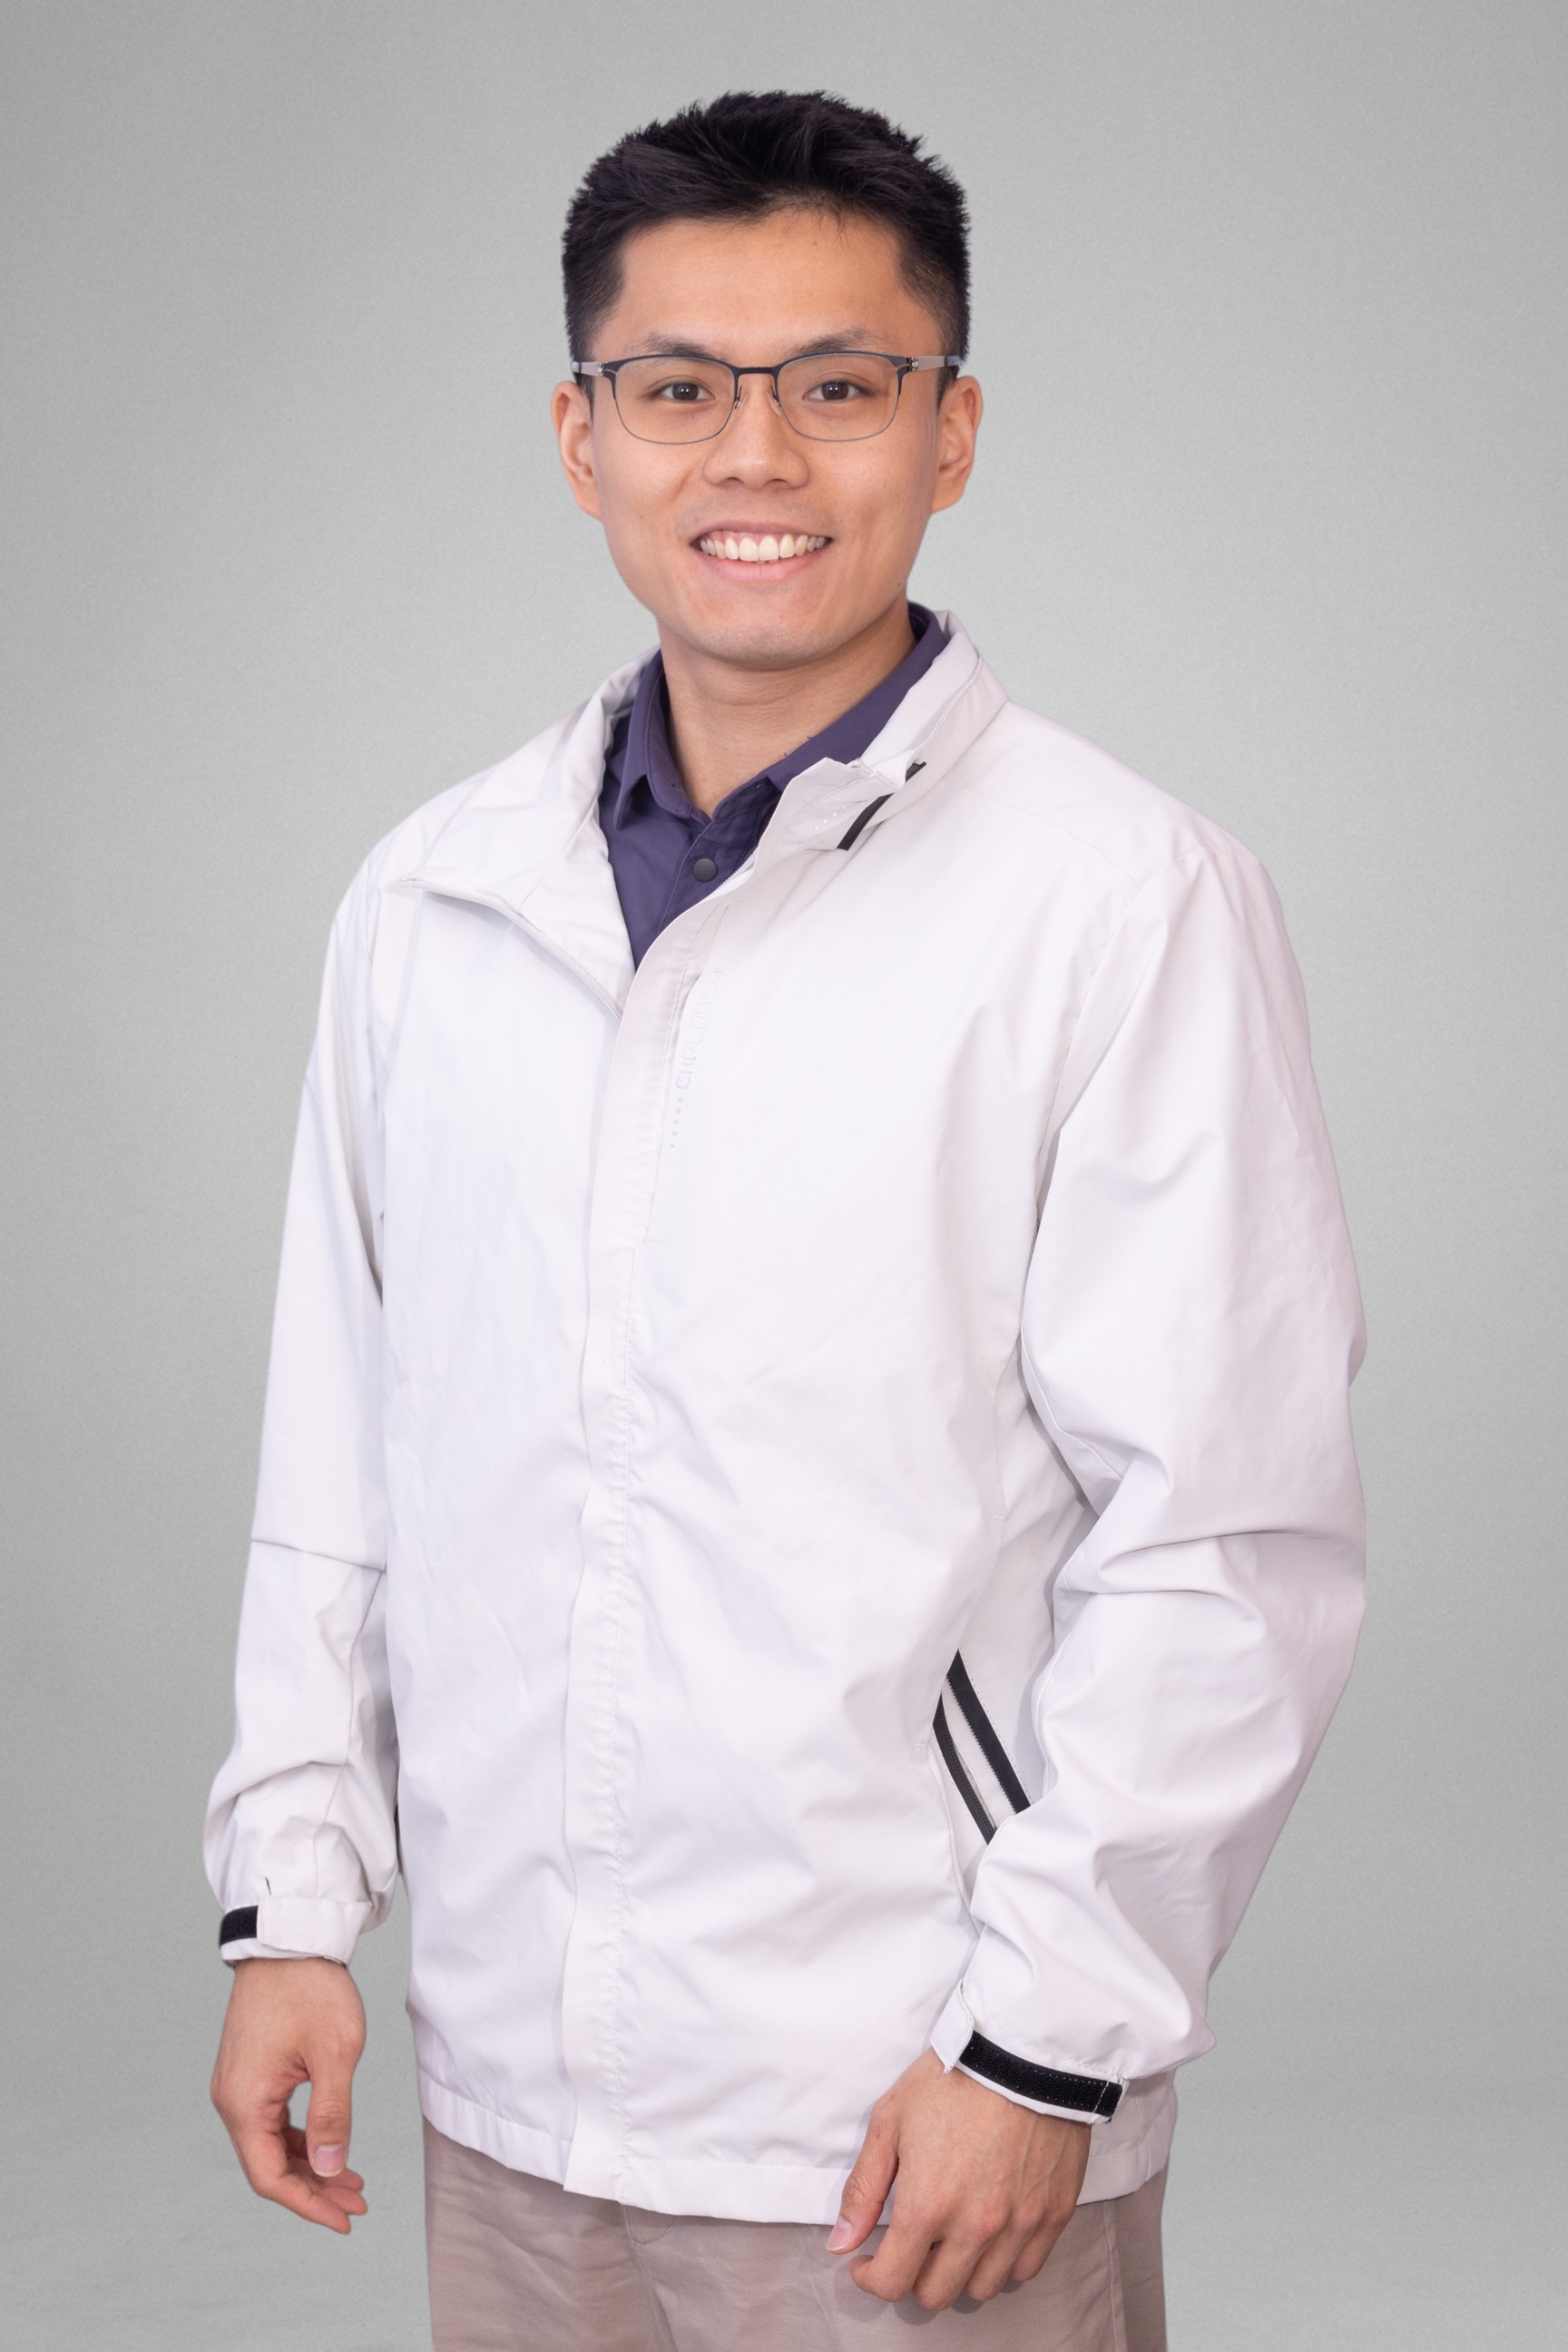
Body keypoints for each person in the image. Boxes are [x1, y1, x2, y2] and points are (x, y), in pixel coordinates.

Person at [205, 89, 1366, 2352]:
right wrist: (293, 1906)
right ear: (582, 437)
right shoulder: (438, 900)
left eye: (840, 385)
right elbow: (340, 1462)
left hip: (908, 2106)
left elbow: (1227, 1541)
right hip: (514, 2089)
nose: (757, 456)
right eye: (678, 390)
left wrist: (1043, 2044)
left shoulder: (1120, 900)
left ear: (951, 432)